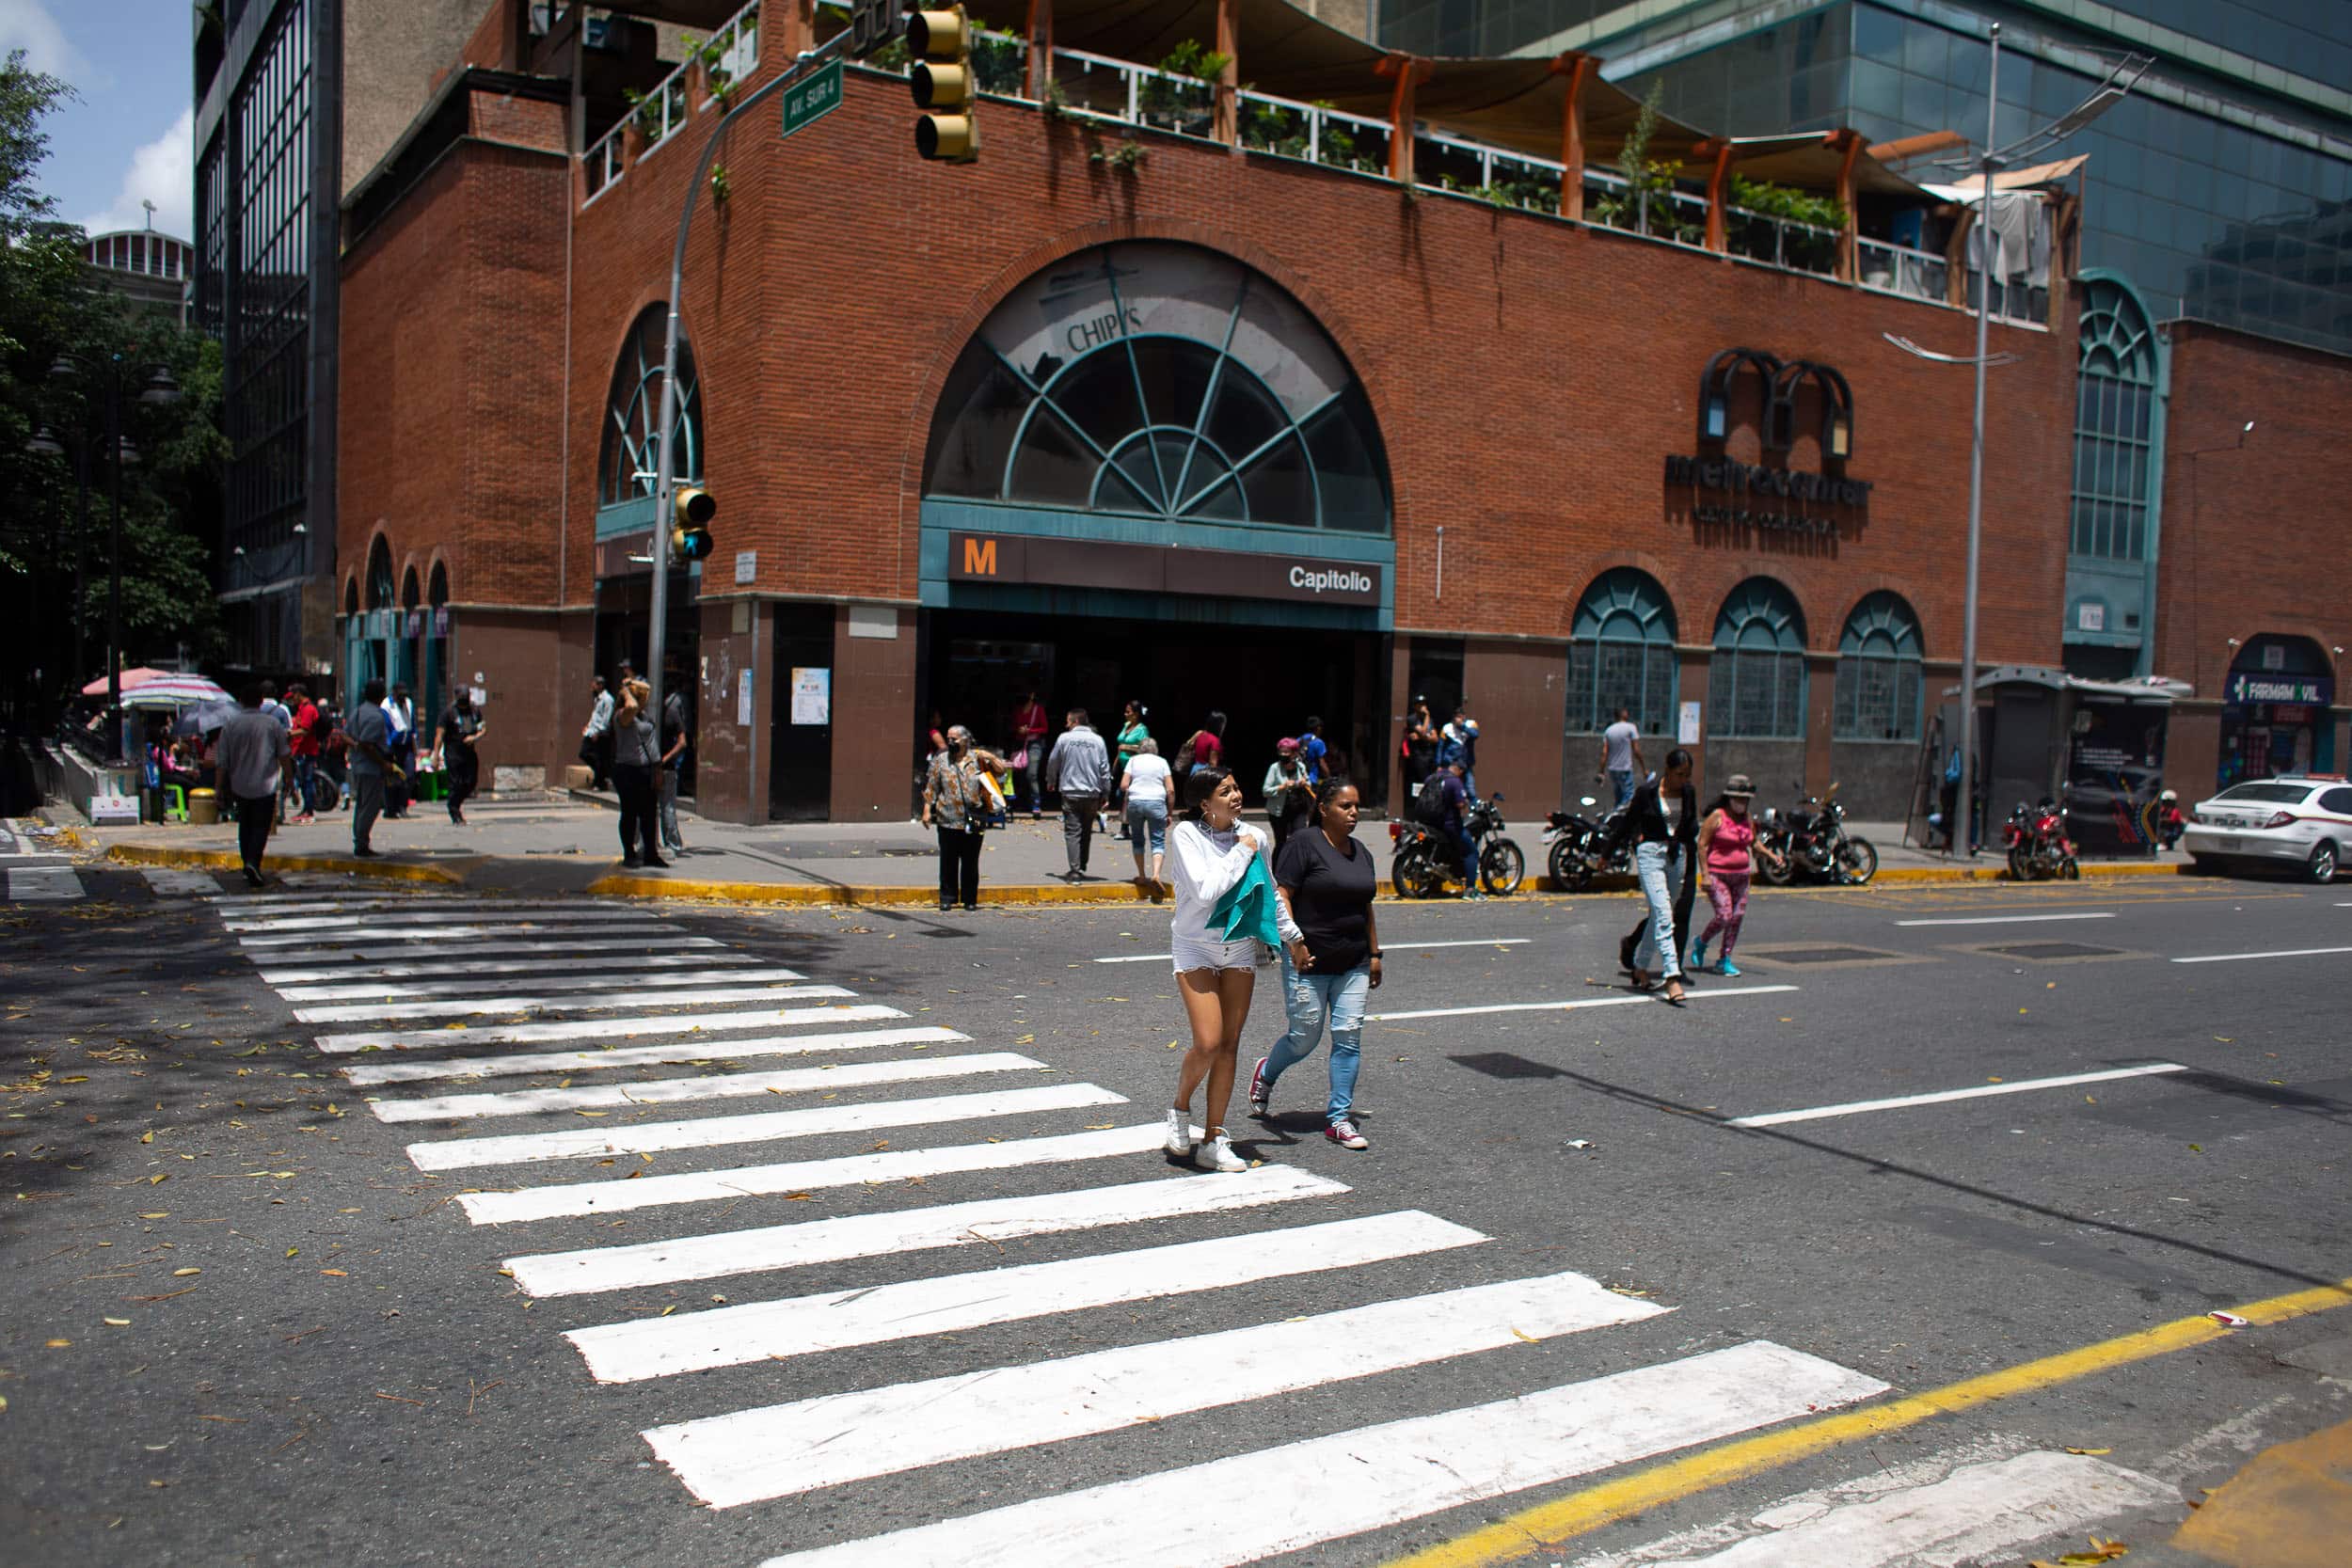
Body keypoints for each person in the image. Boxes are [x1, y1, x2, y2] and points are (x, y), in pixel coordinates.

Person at [1165, 767, 1295, 1174]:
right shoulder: (1185, 835)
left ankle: (1214, 1137)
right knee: (1207, 1042)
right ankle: (1179, 1109)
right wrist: (1241, 850)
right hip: (1195, 947)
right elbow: (1206, 892)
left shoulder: (1257, 835)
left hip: (1238, 948)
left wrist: (1293, 935)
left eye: (1237, 787)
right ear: (1205, 803)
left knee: (1229, 1045)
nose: (1236, 795)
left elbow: (1268, 890)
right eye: (1225, 791)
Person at [1249, 775, 1381, 1150]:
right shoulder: (1302, 845)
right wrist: (1294, 943)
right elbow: (1283, 895)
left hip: (1353, 961)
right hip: (1308, 959)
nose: (1354, 813)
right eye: (1346, 806)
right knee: (1304, 1038)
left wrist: (1374, 955)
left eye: (1357, 806)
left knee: (1348, 1038)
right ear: (1323, 809)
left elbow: (1365, 906)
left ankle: (1338, 1119)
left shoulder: (1361, 852)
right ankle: (1267, 1071)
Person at [1608, 748, 1699, 1003]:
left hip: (1676, 855)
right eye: (1680, 774)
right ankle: (1672, 977)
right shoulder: (1647, 793)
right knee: (1664, 915)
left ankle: (1639, 966)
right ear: (1667, 771)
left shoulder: (1689, 793)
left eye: (1687, 775)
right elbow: (1627, 824)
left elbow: (1690, 826)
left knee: (1658, 915)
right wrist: (1606, 853)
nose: (1684, 780)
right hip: (1650, 854)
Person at [1690, 773, 1778, 977]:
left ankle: (1725, 958)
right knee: (1724, 915)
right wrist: (1704, 874)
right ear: (1729, 798)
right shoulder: (1717, 817)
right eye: (1738, 799)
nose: (1742, 803)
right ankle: (1701, 942)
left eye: (1745, 800)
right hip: (1717, 873)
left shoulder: (1747, 818)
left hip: (1741, 875)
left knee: (1737, 917)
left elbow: (1753, 842)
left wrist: (1770, 855)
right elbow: (1702, 845)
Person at [213, 682, 293, 888]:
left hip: (240, 783)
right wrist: (290, 779)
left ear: (240, 701)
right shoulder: (272, 724)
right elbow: (284, 754)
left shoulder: (231, 724)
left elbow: (222, 760)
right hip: (265, 783)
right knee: (261, 826)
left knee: (245, 824)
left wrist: (218, 788)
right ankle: (253, 861)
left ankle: (247, 860)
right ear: (260, 701)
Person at [922, 724, 1010, 911]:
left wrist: (992, 757)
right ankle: (948, 897)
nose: (950, 742)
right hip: (947, 818)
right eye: (949, 738)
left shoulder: (978, 758)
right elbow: (932, 786)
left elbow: (1001, 771)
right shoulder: (941, 760)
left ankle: (970, 899)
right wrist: (927, 810)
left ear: (965, 740)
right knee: (948, 861)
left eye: (954, 739)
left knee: (971, 862)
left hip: (974, 818)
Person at [1044, 707, 1112, 879]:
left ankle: (1075, 870)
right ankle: (1082, 863)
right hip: (1091, 792)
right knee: (1086, 830)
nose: (1066, 724)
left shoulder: (1064, 739)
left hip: (1071, 791)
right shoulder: (1098, 741)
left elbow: (1053, 761)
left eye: (1068, 721)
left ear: (1075, 721)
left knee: (1073, 831)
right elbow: (1104, 768)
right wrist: (1106, 791)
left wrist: (1051, 780)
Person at [343, 679, 404, 858]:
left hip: (358, 765)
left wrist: (354, 745)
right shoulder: (375, 716)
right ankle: (361, 844)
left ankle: (360, 841)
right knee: (370, 806)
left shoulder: (358, 711)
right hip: (370, 767)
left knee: (361, 805)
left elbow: (346, 735)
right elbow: (367, 744)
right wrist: (383, 763)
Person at [611, 677, 665, 868]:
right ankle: (629, 853)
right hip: (628, 770)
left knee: (649, 814)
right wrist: (625, 691)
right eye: (642, 698)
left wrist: (657, 768)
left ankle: (651, 853)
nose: (646, 700)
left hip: (647, 769)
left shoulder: (643, 716)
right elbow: (632, 706)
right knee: (630, 813)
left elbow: (648, 688)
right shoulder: (623, 715)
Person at [1418, 755, 1483, 899]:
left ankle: (1437, 881)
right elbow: (1460, 804)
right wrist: (1466, 802)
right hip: (1448, 825)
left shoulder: (1432, 778)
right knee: (1471, 852)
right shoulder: (1454, 782)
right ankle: (1470, 889)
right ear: (1459, 770)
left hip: (1428, 823)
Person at [1121, 736, 1173, 883]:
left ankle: (1142, 875)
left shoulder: (1133, 760)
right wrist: (1169, 812)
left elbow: (1124, 785)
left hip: (1136, 802)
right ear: (1155, 749)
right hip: (1156, 802)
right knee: (1158, 840)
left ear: (1140, 749)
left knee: (1137, 840)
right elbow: (1170, 790)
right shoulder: (1162, 762)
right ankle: (1156, 875)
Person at [434, 689, 485, 824]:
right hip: (453, 752)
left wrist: (474, 737)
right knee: (455, 783)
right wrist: (435, 756)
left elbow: (482, 728)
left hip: (468, 751)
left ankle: (456, 803)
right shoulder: (449, 713)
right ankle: (454, 811)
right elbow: (439, 735)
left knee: (470, 782)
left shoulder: (473, 711)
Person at [1263, 736, 1314, 853]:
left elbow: (1308, 783)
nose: (1283, 754)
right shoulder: (1274, 768)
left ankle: (1297, 867)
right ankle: (1277, 869)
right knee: (1281, 843)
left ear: (1294, 753)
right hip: (1279, 812)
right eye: (1281, 752)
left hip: (1298, 809)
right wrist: (1282, 787)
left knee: (1300, 839)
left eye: (1286, 752)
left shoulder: (1300, 766)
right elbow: (1266, 790)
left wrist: (1304, 783)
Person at [659, 679, 691, 855]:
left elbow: (682, 742)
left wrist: (665, 758)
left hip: (661, 766)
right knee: (667, 806)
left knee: (661, 807)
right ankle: (673, 844)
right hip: (665, 766)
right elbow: (683, 741)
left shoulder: (666, 713)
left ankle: (670, 843)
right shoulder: (671, 712)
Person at [1113, 701, 1151, 840]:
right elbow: (1119, 746)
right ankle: (1125, 827)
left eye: (1128, 712)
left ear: (1136, 714)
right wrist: (1115, 765)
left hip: (1135, 768)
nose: (1125, 714)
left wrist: (1127, 748)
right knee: (1121, 796)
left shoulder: (1142, 730)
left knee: (1126, 796)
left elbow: (1145, 748)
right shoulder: (1126, 726)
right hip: (1123, 767)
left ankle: (1128, 827)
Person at [1011, 689, 1050, 818]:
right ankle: (1022, 801)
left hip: (1034, 744)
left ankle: (1036, 804)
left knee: (1032, 774)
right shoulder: (1018, 709)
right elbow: (1013, 725)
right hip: (1020, 744)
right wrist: (1019, 730)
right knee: (1019, 773)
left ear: (1033, 695)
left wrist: (1030, 730)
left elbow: (1044, 728)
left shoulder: (1038, 709)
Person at [284, 683, 320, 822]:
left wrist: (289, 734)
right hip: (300, 750)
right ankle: (306, 809)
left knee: (307, 780)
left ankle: (309, 810)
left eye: (293, 696)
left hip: (307, 750)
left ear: (299, 694)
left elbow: (305, 730)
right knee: (304, 780)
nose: (292, 700)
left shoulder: (308, 709)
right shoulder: (301, 709)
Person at [1599, 705, 1645, 808]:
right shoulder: (1630, 728)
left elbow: (1604, 753)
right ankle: (1624, 820)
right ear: (1623, 714)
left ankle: (1616, 818)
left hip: (1613, 769)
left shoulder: (1609, 730)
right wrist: (1644, 768)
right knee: (1628, 797)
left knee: (1618, 797)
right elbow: (1636, 750)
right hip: (1625, 768)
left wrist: (1601, 771)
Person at [383, 683, 416, 818]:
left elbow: (412, 725)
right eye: (400, 695)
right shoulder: (386, 705)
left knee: (408, 776)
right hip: (394, 746)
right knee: (393, 779)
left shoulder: (408, 703)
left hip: (407, 745)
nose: (403, 698)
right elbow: (386, 728)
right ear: (394, 694)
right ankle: (391, 808)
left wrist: (415, 747)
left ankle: (403, 806)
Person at [579, 674, 614, 792]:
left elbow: (606, 718)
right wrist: (588, 726)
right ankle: (601, 776)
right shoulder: (597, 698)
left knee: (598, 757)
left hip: (599, 734)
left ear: (600, 685)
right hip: (592, 731)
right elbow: (595, 715)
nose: (591, 687)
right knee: (584, 753)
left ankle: (600, 781)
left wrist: (599, 732)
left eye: (593, 684)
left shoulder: (608, 700)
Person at [1438, 704, 1481, 797]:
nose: (1458, 718)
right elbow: (1440, 747)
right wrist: (1439, 764)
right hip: (1451, 763)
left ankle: (1473, 809)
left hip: (1466, 762)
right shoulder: (1447, 728)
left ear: (1464, 716)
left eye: (1461, 716)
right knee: (1448, 787)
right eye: (1457, 716)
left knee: (1470, 789)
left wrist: (1462, 726)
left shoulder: (1471, 724)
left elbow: (1475, 735)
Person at [1401, 697, 1438, 796]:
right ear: (1415, 706)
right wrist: (1427, 717)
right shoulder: (1412, 719)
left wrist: (1423, 737)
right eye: (1420, 704)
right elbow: (1423, 732)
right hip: (1419, 755)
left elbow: (1435, 738)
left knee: (1431, 779)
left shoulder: (1430, 720)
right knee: (1422, 780)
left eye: (1424, 704)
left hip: (1429, 754)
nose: (1423, 706)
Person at [1177, 710, 1227, 783]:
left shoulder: (1200, 734)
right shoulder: (1215, 741)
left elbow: (1188, 745)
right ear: (1220, 725)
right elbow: (1213, 764)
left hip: (1194, 770)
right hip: (1205, 773)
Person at [1298, 716, 1327, 784]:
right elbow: (1322, 764)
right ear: (1318, 728)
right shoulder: (1318, 742)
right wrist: (1328, 776)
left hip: (1298, 780)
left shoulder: (1298, 740)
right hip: (1311, 779)